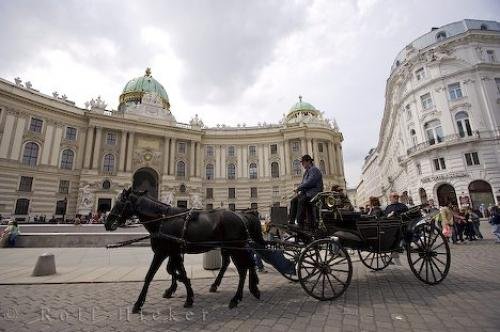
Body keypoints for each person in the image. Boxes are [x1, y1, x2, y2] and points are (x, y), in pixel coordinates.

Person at [289, 154, 323, 228]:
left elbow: (310, 182)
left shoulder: (314, 170)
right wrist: (299, 190)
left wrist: (299, 188)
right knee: (294, 201)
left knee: (301, 201)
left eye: (303, 163)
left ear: (308, 162)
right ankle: (291, 221)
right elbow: (303, 183)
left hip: (314, 193)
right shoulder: (306, 172)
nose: (302, 165)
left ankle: (300, 223)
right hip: (307, 193)